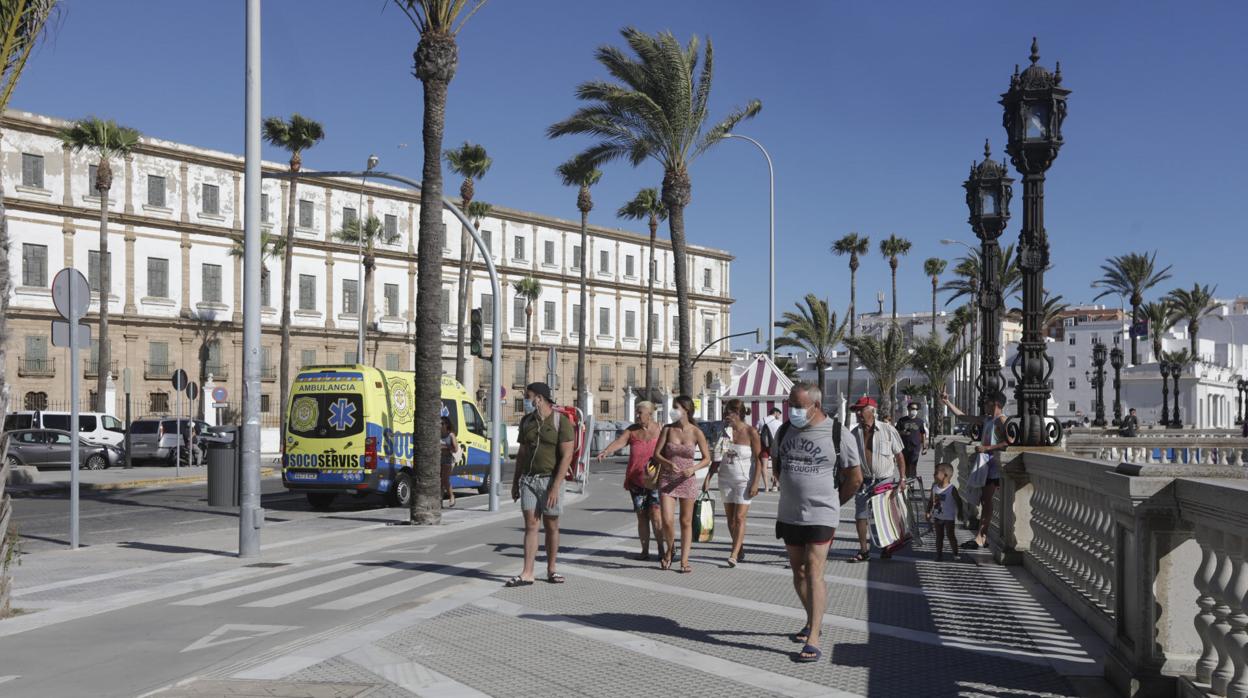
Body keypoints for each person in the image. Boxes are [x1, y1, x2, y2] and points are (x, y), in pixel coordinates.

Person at [773, 382, 861, 663]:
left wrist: (834, 504)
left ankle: (814, 636)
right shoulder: (784, 430)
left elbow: (855, 477)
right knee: (798, 572)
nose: (793, 411)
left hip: (822, 514)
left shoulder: (838, 433)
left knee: (814, 570)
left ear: (816, 406)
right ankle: (813, 619)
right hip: (790, 513)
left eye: (798, 406)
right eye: (791, 405)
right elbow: (777, 465)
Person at [507, 382, 574, 587]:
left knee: (551, 525)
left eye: (528, 397)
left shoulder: (560, 422)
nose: (526, 400)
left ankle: (551, 569)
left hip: (550, 480)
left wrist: (555, 486)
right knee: (531, 526)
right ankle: (527, 573)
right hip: (529, 480)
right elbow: (522, 453)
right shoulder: (527, 421)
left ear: (540, 398)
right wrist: (516, 481)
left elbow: (567, 456)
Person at [941, 388, 1011, 550]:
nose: (984, 405)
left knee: (986, 502)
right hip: (984, 467)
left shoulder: (1002, 420)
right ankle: (982, 536)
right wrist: (947, 402)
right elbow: (962, 417)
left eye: (987, 403)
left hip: (993, 468)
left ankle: (981, 537)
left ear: (995, 404)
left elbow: (1009, 442)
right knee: (983, 501)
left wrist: (987, 448)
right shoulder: (987, 420)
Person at [598, 401, 664, 561]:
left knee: (656, 515)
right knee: (641, 515)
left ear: (650, 414)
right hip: (636, 480)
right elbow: (620, 442)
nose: (637, 415)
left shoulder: (661, 429)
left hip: (656, 480)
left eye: (640, 412)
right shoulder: (632, 431)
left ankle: (662, 550)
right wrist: (606, 451)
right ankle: (645, 551)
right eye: (636, 412)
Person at [702, 399, 764, 567]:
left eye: (728, 413)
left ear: (738, 414)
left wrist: (756, 483)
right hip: (725, 478)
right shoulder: (724, 432)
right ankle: (740, 547)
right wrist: (708, 477)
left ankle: (734, 554)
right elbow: (716, 457)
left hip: (744, 480)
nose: (725, 416)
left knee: (739, 517)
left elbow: (759, 459)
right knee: (730, 520)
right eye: (725, 413)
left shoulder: (751, 432)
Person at [653, 395, 710, 573]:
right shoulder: (668, 430)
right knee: (667, 521)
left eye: (676, 407)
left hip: (687, 479)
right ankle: (670, 550)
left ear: (686, 409)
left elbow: (708, 458)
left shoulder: (696, 432)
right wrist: (668, 463)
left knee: (685, 522)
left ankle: (684, 561)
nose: (673, 410)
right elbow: (657, 454)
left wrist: (693, 469)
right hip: (668, 479)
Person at [848, 397, 906, 562]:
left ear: (872, 410)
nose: (858, 413)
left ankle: (886, 548)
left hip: (884, 480)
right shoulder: (854, 433)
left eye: (861, 410)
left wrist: (902, 478)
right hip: (863, 481)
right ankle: (863, 551)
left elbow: (899, 455)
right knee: (860, 516)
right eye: (856, 410)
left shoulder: (888, 430)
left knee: (883, 516)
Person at [926, 462, 961, 561]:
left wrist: (960, 512)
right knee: (939, 536)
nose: (933, 475)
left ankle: (955, 553)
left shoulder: (951, 489)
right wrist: (928, 511)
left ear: (945, 475)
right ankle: (939, 555)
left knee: (951, 535)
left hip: (949, 517)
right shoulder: (934, 487)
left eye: (936, 473)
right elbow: (930, 501)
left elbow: (959, 501)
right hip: (937, 516)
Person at [894, 402, 928, 480]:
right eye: (913, 408)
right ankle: (906, 481)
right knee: (905, 465)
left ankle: (911, 481)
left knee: (913, 464)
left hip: (915, 447)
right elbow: (895, 432)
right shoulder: (902, 420)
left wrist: (924, 447)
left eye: (916, 409)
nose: (914, 410)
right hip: (903, 447)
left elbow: (923, 434)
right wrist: (902, 432)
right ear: (908, 409)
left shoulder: (919, 421)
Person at [759, 407, 783, 491]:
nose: (779, 416)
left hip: (764, 446)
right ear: (775, 413)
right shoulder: (779, 423)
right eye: (779, 414)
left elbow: (757, 431)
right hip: (775, 446)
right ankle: (774, 485)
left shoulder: (762, 420)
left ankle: (766, 487)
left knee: (764, 466)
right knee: (775, 466)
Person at [439, 416, 458, 508]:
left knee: (445, 480)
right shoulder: (437, 434)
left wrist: (445, 447)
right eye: (439, 423)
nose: (440, 425)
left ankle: (451, 496)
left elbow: (455, 449)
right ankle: (440, 501)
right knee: (440, 481)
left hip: (448, 459)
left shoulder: (451, 435)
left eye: (442, 423)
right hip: (438, 459)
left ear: (447, 425)